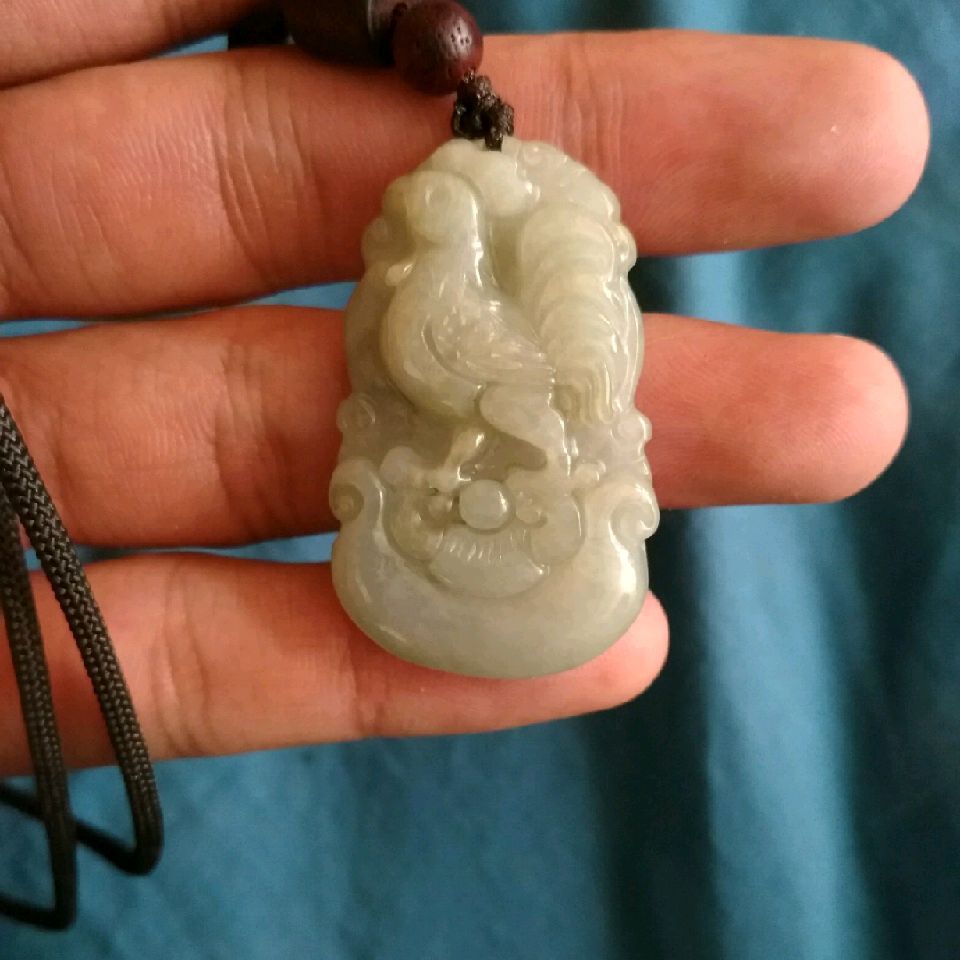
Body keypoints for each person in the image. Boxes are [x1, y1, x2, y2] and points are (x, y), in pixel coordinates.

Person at [0, 3, 945, 958]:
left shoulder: (451, 305)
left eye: (431, 223)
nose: (417, 233)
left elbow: (491, 382)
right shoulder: (427, 295)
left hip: (520, 415)